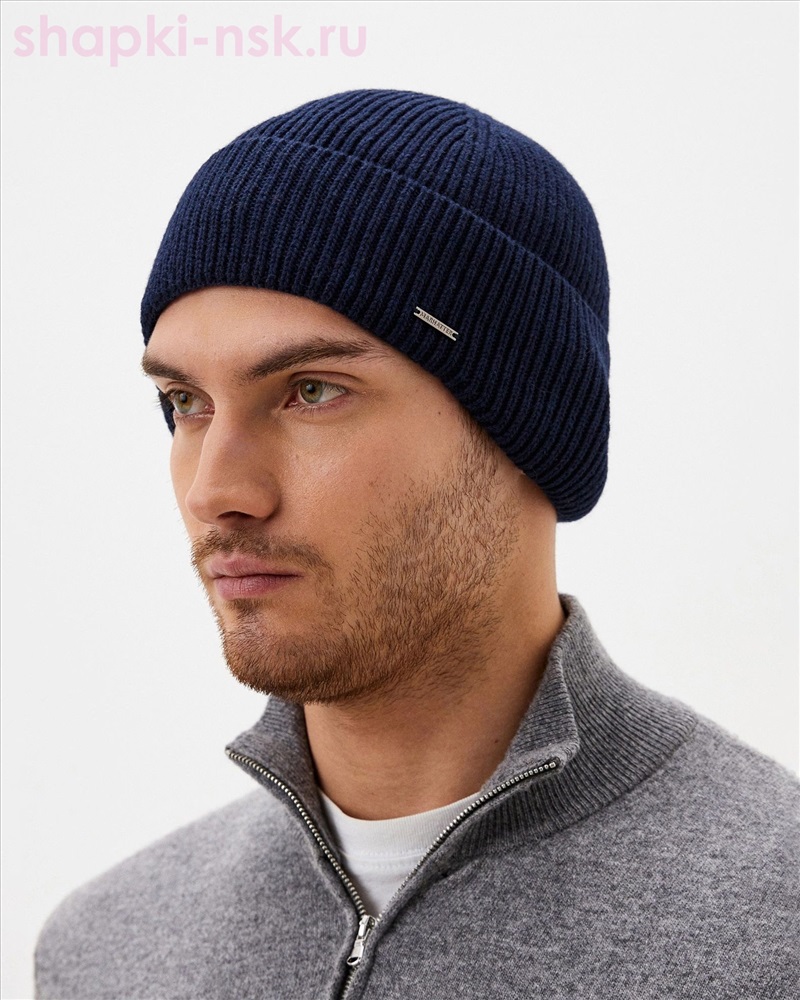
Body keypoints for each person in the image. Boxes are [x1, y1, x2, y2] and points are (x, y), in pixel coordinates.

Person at [35, 89, 798, 1000]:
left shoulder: (774, 923)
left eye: (312, 391)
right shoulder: (106, 952)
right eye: (185, 403)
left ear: (523, 427)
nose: (215, 492)